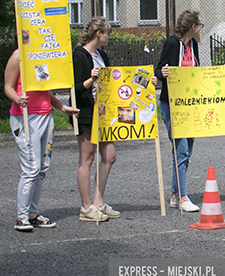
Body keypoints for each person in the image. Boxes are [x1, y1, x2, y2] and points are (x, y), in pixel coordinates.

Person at [156, 9, 225, 212]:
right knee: (180, 149)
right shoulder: (173, 44)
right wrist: (163, 72)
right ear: (193, 27)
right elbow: (159, 69)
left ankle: (175, 194)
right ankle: (182, 197)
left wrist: (222, 72)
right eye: (200, 25)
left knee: (185, 150)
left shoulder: (193, 46)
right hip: (172, 103)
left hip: (190, 104)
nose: (201, 28)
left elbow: (199, 73)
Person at [73, 17, 140, 222]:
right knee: (88, 157)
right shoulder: (79, 55)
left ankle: (98, 201)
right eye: (107, 33)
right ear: (98, 34)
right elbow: (73, 89)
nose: (109, 37)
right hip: (86, 111)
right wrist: (90, 80)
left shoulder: (102, 55)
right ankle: (86, 206)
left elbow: (112, 82)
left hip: (104, 113)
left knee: (109, 155)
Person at [6, 45, 80, 231]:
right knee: (31, 167)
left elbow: (44, 89)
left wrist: (62, 107)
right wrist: (17, 98)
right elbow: (8, 86)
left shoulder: (42, 57)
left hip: (45, 116)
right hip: (24, 117)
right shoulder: (18, 56)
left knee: (42, 167)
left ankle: (33, 213)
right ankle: (21, 217)